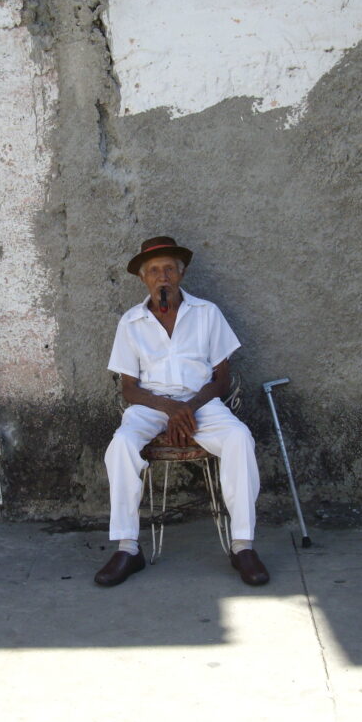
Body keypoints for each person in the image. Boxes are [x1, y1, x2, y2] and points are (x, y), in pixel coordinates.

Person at [95, 236, 270, 587]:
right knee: (122, 446)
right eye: (155, 270)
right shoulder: (131, 322)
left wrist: (187, 408)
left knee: (238, 438)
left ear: (181, 274)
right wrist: (169, 409)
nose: (163, 276)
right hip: (151, 405)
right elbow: (129, 389)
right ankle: (128, 548)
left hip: (201, 403)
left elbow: (222, 379)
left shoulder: (207, 313)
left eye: (170, 269)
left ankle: (243, 545)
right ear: (144, 278)